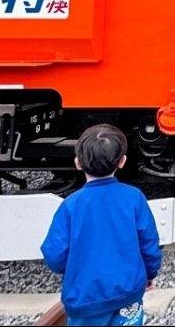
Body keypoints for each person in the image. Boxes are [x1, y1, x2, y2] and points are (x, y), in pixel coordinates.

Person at [41, 124, 162, 326]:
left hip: (83, 299)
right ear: (122, 161)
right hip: (128, 294)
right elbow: (149, 244)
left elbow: (55, 255)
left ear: (78, 163)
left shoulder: (71, 204)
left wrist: (76, 268)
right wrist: (150, 274)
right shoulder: (133, 197)